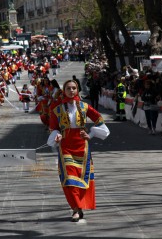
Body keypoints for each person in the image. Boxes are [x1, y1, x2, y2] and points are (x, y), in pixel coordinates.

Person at [47, 79, 110, 222]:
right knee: (69, 179)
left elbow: (101, 122)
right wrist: (56, 136)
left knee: (82, 179)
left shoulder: (85, 107)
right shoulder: (56, 108)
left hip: (82, 148)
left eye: (74, 88)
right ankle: (76, 209)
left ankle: (79, 206)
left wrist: (91, 134)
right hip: (66, 147)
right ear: (64, 90)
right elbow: (53, 128)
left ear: (77, 90)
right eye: (68, 88)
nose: (71, 91)